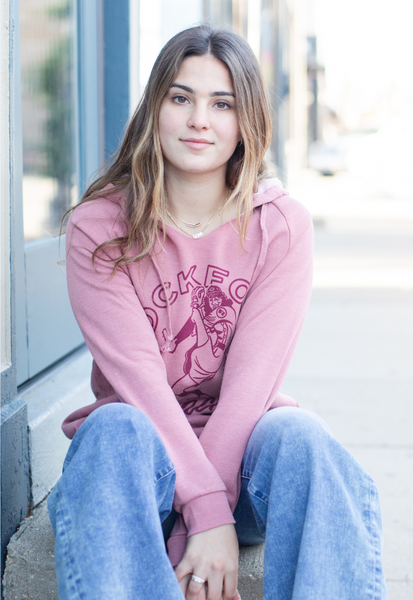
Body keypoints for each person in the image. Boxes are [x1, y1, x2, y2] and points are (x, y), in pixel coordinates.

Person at [48, 24, 387, 600]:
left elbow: (251, 388)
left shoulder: (278, 225)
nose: (199, 120)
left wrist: (215, 517)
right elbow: (140, 386)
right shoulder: (99, 230)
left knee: (303, 437)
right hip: (138, 473)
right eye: (181, 98)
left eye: (222, 103)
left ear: (245, 120)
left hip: (245, 460)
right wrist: (200, 516)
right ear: (155, 108)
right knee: (112, 428)